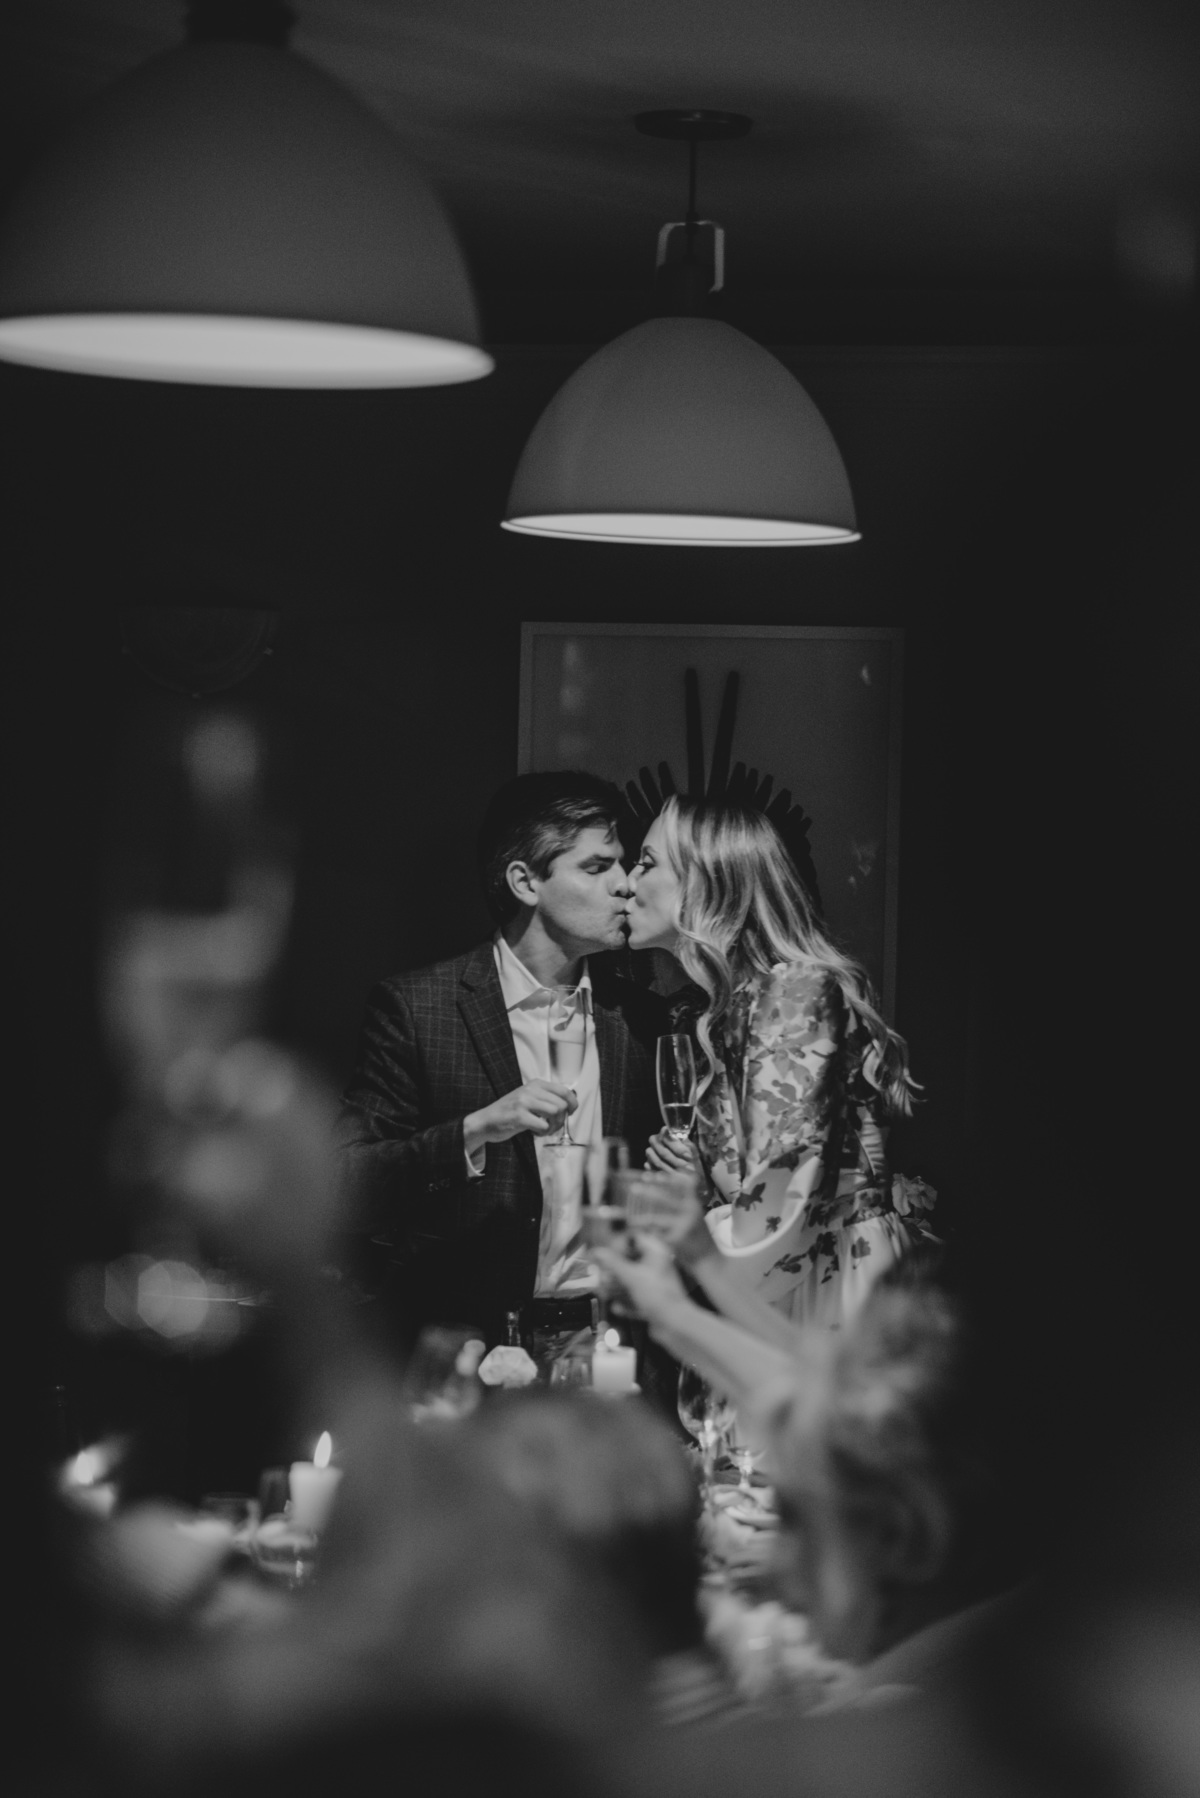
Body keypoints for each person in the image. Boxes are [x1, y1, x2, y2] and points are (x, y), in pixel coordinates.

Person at [339, 772, 664, 1350]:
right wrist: (474, 1131)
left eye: (623, 863)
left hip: (608, 1347)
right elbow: (348, 1185)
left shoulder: (643, 1020)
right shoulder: (421, 1008)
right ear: (525, 881)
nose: (624, 884)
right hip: (472, 1345)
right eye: (596, 867)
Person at [625, 794, 926, 1329]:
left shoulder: (794, 996)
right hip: (778, 1292)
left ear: (705, 881)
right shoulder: (715, 1011)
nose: (627, 882)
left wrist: (687, 1233)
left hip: (829, 1294)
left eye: (646, 863)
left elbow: (779, 1219)